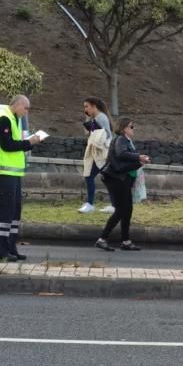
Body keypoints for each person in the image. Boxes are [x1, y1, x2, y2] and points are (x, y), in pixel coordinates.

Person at [0, 95, 42, 261]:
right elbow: (7, 145)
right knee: (5, 212)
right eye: (25, 108)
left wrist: (27, 141)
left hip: (13, 173)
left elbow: (13, 142)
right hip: (3, 173)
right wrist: (29, 142)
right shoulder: (3, 118)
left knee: (14, 211)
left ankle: (10, 247)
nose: (26, 112)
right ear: (17, 105)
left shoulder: (12, 119)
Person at [95, 117, 150, 251]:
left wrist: (139, 162)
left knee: (128, 210)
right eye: (131, 126)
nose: (133, 129)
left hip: (123, 179)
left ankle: (126, 241)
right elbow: (121, 154)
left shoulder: (127, 141)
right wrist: (138, 157)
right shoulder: (121, 140)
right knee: (121, 210)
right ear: (124, 128)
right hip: (115, 179)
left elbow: (126, 162)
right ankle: (102, 239)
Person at [79, 97, 112, 214]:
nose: (85, 109)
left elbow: (107, 135)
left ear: (94, 106)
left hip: (101, 154)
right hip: (97, 153)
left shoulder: (101, 118)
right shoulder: (96, 117)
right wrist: (88, 119)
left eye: (87, 106)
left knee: (89, 176)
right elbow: (88, 133)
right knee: (107, 178)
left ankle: (90, 204)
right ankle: (114, 205)